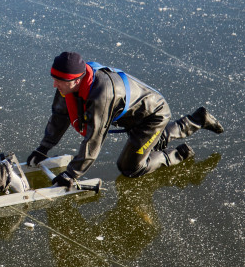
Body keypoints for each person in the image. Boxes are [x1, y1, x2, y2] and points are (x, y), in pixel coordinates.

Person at [26, 51, 224, 186]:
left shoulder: (101, 94)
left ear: (77, 79)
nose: (54, 85)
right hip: (131, 115)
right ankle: (197, 119)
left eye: (59, 81)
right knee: (147, 143)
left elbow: (94, 138)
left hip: (152, 116)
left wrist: (72, 174)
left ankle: (177, 155)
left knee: (129, 167)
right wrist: (43, 148)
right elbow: (60, 116)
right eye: (54, 78)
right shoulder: (68, 85)